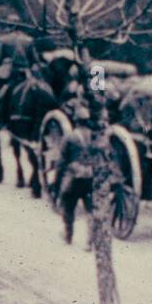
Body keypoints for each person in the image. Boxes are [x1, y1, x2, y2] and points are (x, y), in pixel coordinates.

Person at [56, 102, 97, 247]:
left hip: (74, 178)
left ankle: (68, 235)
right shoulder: (94, 136)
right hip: (90, 178)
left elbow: (61, 161)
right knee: (91, 211)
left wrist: (58, 180)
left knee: (68, 206)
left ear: (76, 121)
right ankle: (89, 241)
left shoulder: (70, 137)